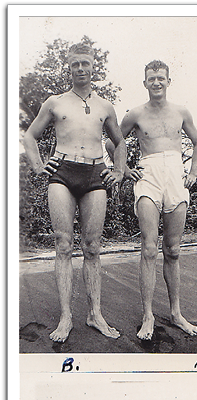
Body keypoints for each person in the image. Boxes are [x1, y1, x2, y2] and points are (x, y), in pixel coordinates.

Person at [22, 42, 127, 343]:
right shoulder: (55, 102)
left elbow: (119, 143)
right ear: (67, 67)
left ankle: (95, 314)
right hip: (63, 173)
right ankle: (66, 316)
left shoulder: (106, 106)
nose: (81, 68)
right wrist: (39, 165)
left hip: (95, 174)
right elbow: (30, 135)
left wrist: (119, 171)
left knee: (92, 246)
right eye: (75, 64)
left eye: (85, 63)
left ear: (94, 66)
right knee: (63, 244)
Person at [108, 59, 197, 340]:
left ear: (169, 81)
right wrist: (123, 169)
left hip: (176, 175)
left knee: (173, 250)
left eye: (161, 78)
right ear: (145, 82)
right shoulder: (135, 114)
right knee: (149, 248)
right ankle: (147, 315)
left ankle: (176, 313)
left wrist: (194, 172)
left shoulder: (181, 112)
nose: (157, 82)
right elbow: (112, 141)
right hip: (148, 175)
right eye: (152, 78)